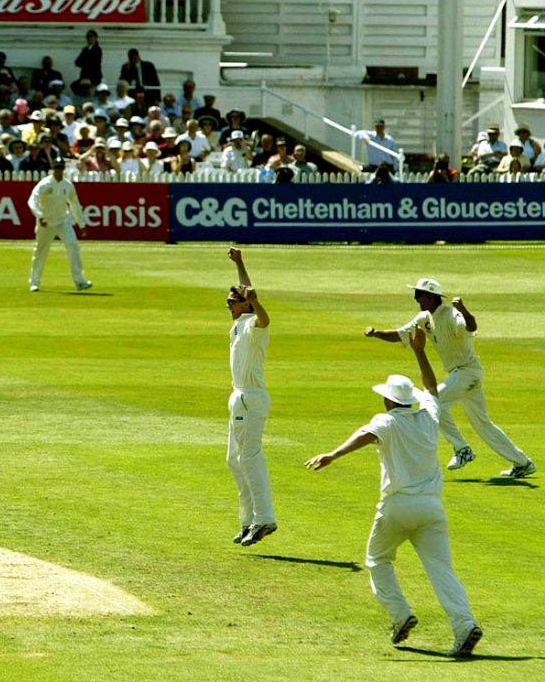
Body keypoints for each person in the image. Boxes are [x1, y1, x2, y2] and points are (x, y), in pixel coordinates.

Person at [305, 329, 482, 658]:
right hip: (432, 508)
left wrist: (333, 454)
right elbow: (431, 387)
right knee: (442, 570)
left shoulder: (385, 420)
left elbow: (365, 434)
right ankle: (464, 624)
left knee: (377, 560)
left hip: (397, 507)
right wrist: (419, 351)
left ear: (389, 400)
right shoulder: (429, 415)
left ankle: (401, 615)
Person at [364, 279, 535, 477]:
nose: (416, 299)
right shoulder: (423, 318)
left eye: (420, 295)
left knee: (434, 403)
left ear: (431, 296)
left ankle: (462, 449)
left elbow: (471, 327)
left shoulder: (451, 314)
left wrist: (463, 308)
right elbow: (400, 334)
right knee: (483, 424)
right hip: (462, 374)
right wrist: (375, 333)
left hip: (467, 371)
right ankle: (523, 463)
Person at [225, 247, 276, 547]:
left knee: (250, 456)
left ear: (246, 305)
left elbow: (265, 318)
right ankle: (248, 521)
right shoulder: (239, 323)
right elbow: (246, 289)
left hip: (251, 398)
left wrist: (256, 302)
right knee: (234, 459)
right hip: (238, 396)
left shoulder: (255, 326)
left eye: (232, 302)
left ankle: (264, 519)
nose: (228, 305)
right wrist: (240, 263)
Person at [27, 160, 92, 292]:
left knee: (73, 246)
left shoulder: (67, 185)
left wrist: (81, 224)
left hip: (63, 221)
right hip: (46, 223)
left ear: (63, 169)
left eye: (60, 168)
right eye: (56, 168)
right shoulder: (45, 184)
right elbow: (32, 200)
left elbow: (75, 204)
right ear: (53, 169)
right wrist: (40, 216)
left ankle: (80, 281)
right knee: (40, 251)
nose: (58, 171)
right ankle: (35, 282)